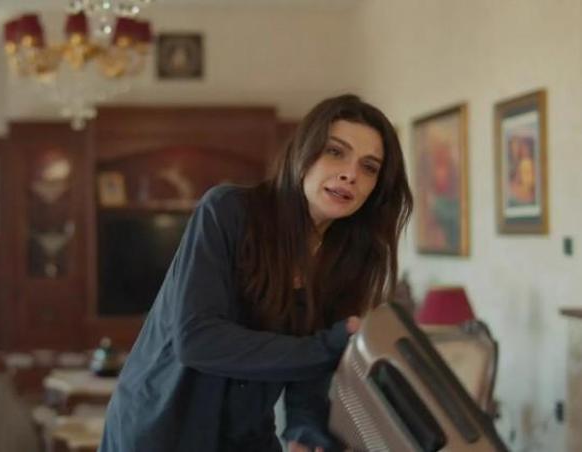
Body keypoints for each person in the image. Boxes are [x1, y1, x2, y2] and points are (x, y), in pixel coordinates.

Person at [99, 94, 413, 452]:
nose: (350, 174)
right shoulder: (229, 211)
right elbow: (198, 340)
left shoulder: (350, 257)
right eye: (335, 151)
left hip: (247, 435)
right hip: (161, 433)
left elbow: (311, 367)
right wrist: (328, 346)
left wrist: (304, 428)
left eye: (369, 167)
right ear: (303, 152)